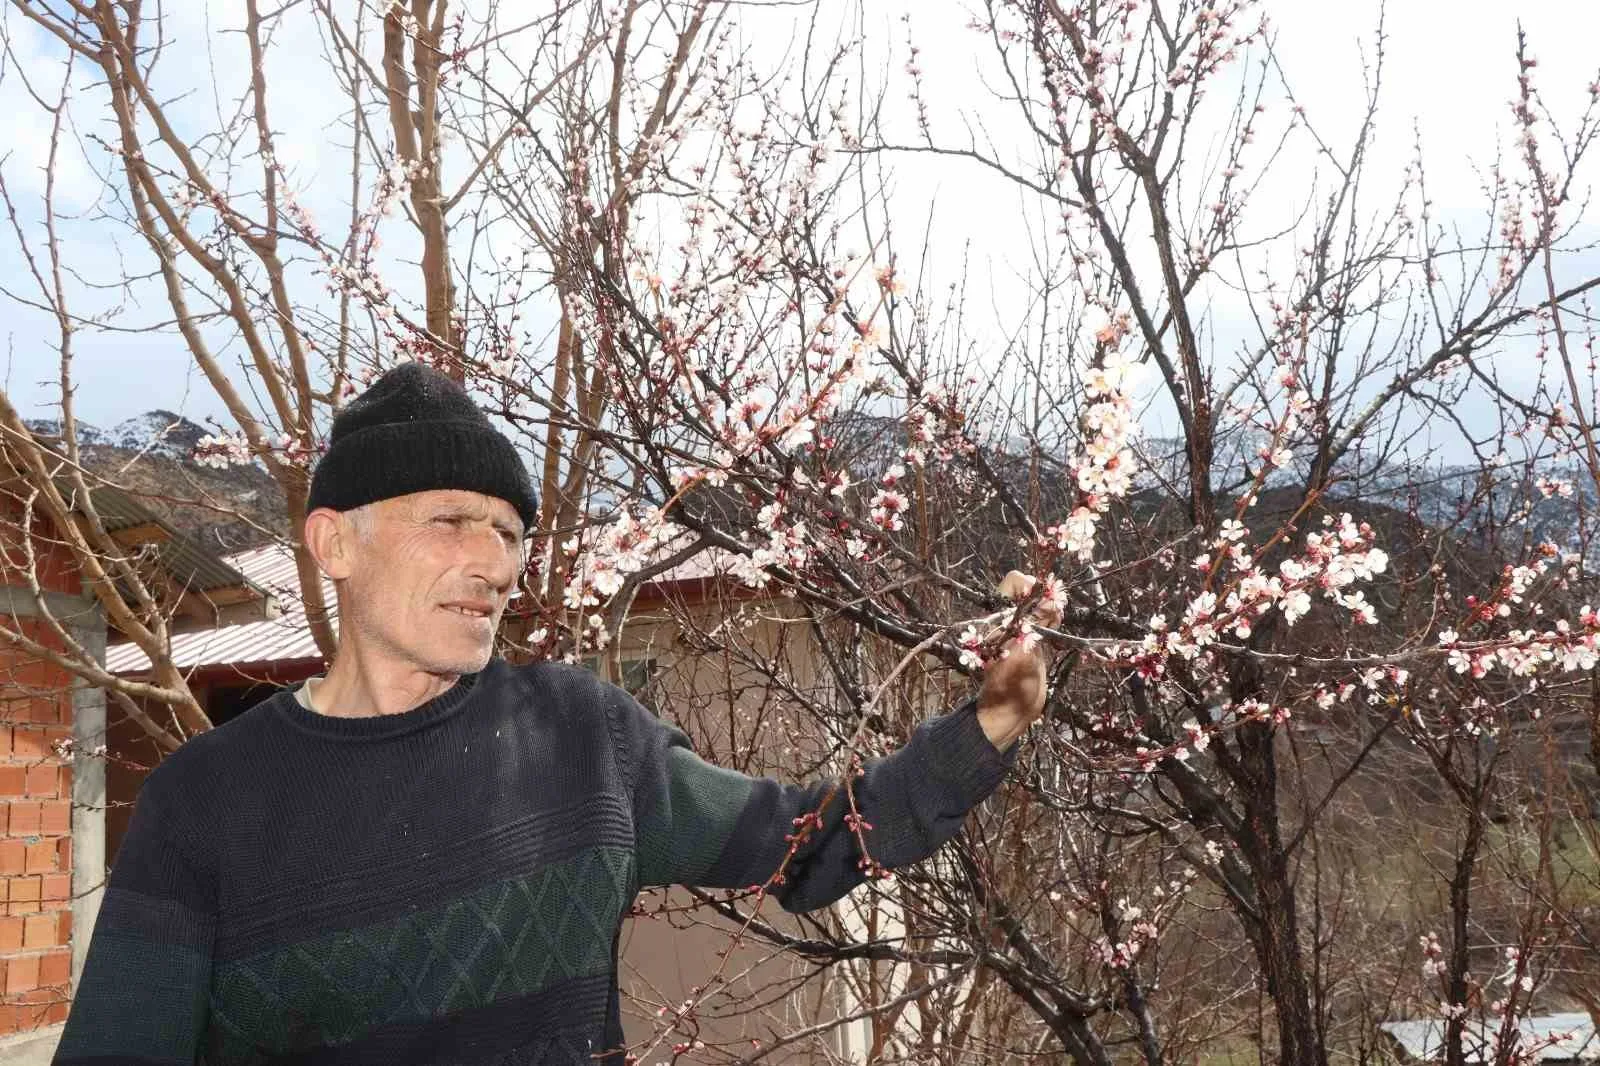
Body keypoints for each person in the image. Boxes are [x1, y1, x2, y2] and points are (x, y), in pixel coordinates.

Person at [53, 362, 1053, 1065]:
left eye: (506, 531)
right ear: (334, 544)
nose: (493, 562)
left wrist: (989, 724)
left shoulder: (585, 739)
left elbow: (811, 847)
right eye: (450, 522)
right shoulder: (206, 799)